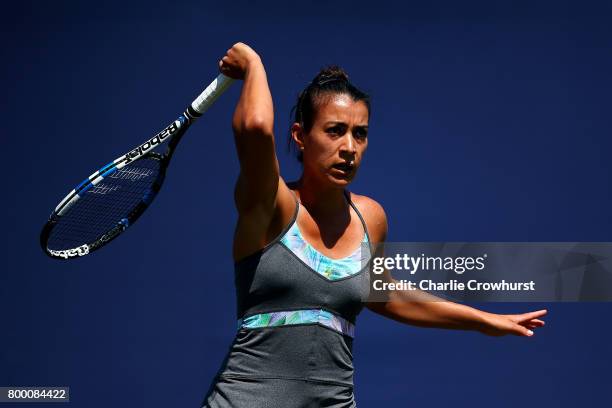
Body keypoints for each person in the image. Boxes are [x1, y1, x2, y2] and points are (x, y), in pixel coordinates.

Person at [201, 42, 547, 408]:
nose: (349, 147)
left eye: (360, 133)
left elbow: (386, 294)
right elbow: (255, 128)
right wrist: (253, 65)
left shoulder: (370, 218)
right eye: (335, 130)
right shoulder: (270, 205)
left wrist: (482, 320)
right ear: (300, 136)